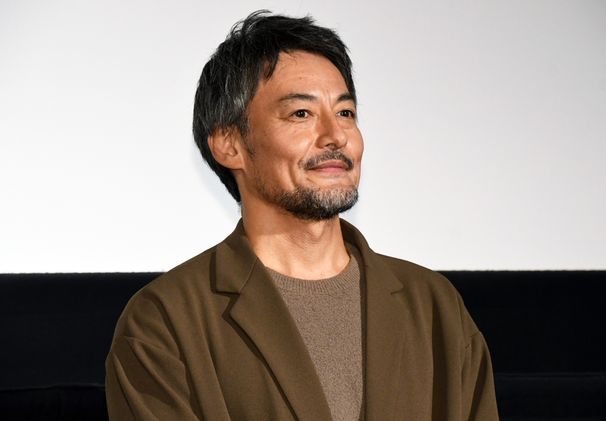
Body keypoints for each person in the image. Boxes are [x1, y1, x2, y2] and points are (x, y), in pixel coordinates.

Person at [105, 10, 499, 421]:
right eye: (301, 114)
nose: (335, 136)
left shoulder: (435, 306)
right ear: (229, 145)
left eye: (345, 113)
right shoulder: (164, 322)